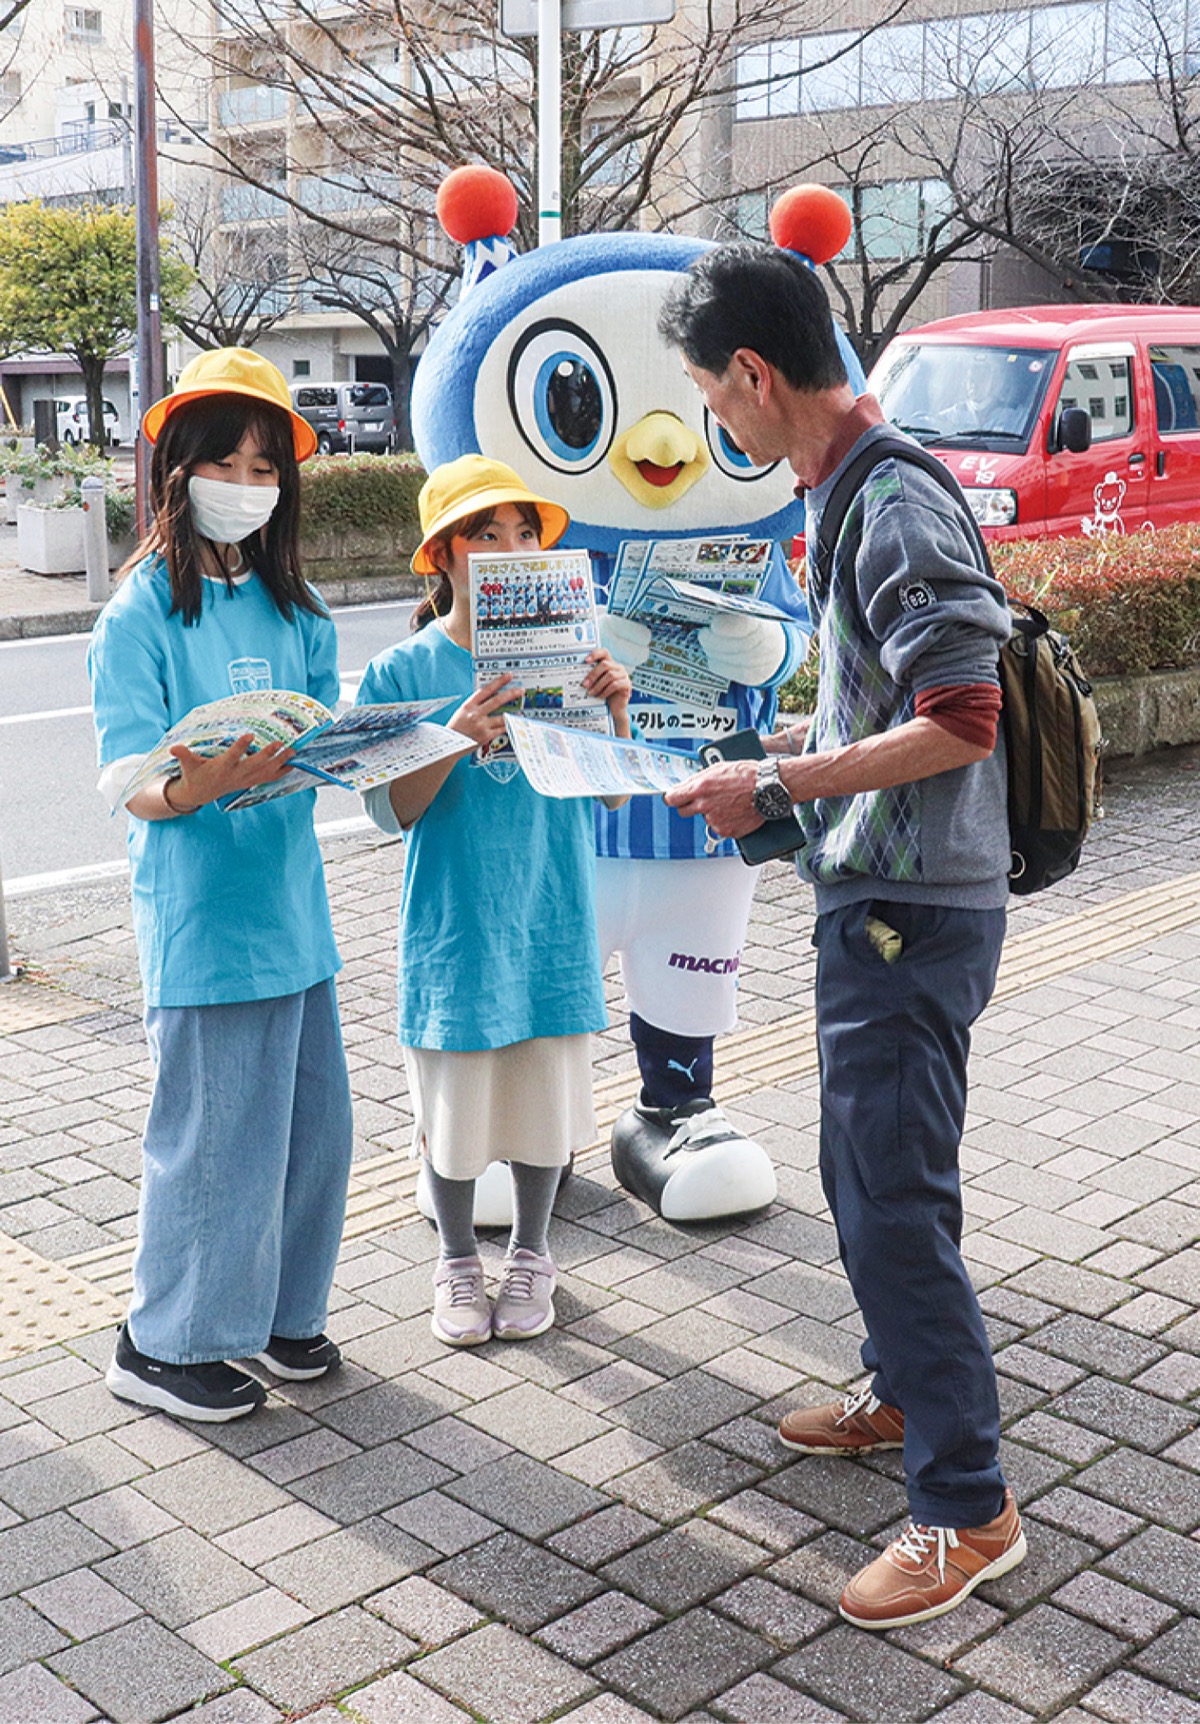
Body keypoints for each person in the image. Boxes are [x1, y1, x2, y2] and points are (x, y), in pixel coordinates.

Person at [658, 244, 1026, 1630]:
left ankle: (966, 1506)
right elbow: (864, 706)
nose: (716, 425)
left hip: (911, 919)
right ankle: (899, 1389)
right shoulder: (847, 491)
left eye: (711, 396)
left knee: (891, 1198)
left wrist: (780, 788)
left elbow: (961, 717)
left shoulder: (891, 508)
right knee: (862, 1171)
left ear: (755, 377)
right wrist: (759, 788)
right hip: (878, 902)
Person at [87, 347, 353, 1423]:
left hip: (295, 915)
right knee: (211, 1141)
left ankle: (281, 1318)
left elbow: (333, 734)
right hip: (204, 924)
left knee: (312, 1134)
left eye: (265, 465)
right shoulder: (141, 613)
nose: (245, 484)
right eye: (225, 461)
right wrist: (191, 784)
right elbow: (126, 776)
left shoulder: (300, 607)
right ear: (178, 469)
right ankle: (163, 1341)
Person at [356, 455, 632, 1346]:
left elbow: (614, 796)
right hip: (455, 920)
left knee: (545, 1096)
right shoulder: (401, 672)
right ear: (442, 556)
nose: (510, 550)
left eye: (525, 535)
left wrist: (615, 714)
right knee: (454, 1105)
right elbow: (390, 812)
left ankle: (533, 1254)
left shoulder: (572, 654)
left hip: (551, 908)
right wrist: (451, 738)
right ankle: (456, 1261)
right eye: (486, 534)